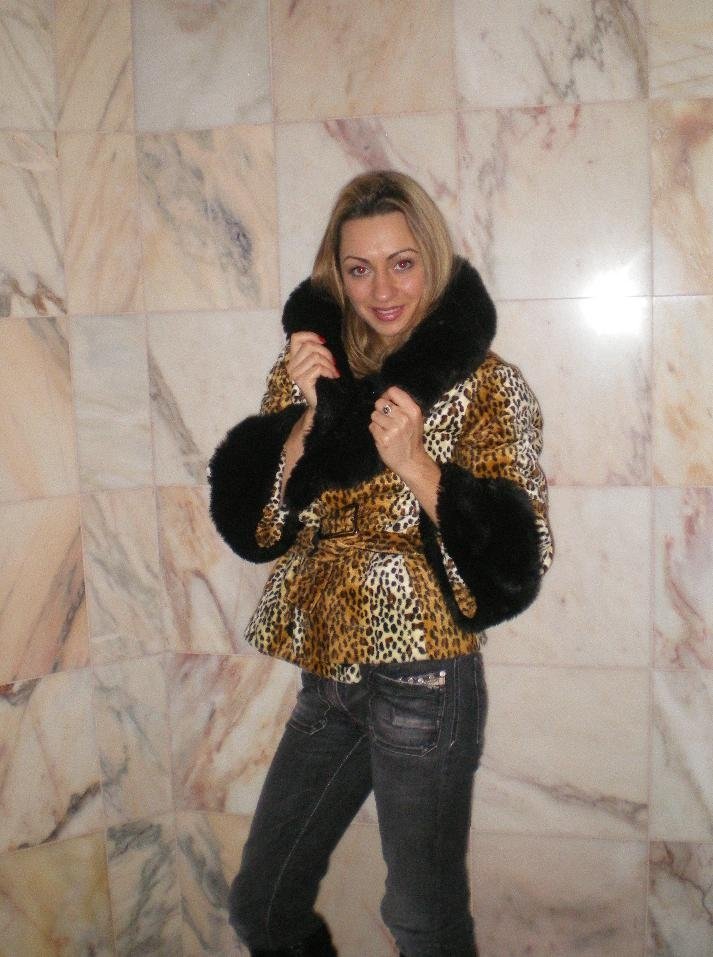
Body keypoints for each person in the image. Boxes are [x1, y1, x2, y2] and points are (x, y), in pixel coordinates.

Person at [208, 170, 553, 957]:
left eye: (402, 263)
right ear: (336, 274)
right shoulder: (308, 373)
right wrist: (305, 421)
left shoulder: (486, 384)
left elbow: (517, 557)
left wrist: (416, 465)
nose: (382, 290)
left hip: (425, 680)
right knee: (262, 905)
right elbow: (258, 528)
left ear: (431, 257)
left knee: (421, 922)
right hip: (328, 680)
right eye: (359, 268)